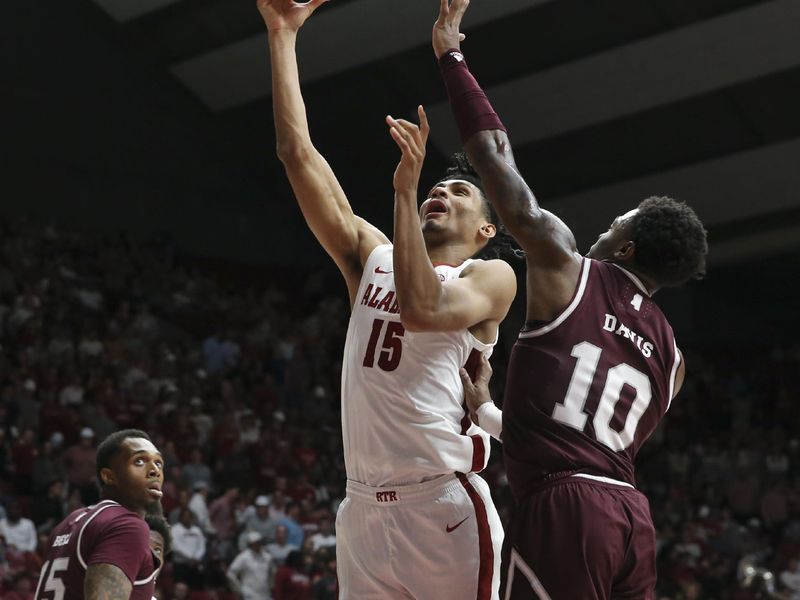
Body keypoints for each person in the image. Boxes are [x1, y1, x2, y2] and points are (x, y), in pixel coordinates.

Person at [434, 2, 709, 598]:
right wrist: (485, 412)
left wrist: (452, 58)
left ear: (628, 248)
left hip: (566, 512)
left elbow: (493, 157)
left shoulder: (566, 266)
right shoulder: (675, 360)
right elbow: (585, 444)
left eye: (616, 223)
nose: (603, 229)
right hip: (631, 518)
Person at [257, 1, 517, 597]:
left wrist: (404, 194)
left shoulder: (491, 276)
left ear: (485, 230)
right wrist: (281, 38)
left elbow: (425, 308)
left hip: (441, 504)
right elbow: (297, 155)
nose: (440, 193)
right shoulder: (372, 256)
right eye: (435, 187)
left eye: (458, 192)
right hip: (362, 508)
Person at [34, 429, 164, 600]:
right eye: (139, 461)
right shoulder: (126, 525)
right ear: (108, 476)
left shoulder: (68, 522)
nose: (154, 470)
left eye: (158, 463)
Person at [227, 531, 275, 600]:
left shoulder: (267, 557)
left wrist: (271, 586)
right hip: (250, 595)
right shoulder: (243, 557)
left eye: (259, 542)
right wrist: (239, 589)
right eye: (255, 543)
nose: (258, 545)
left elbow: (272, 573)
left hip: (265, 594)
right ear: (250, 544)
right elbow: (230, 573)